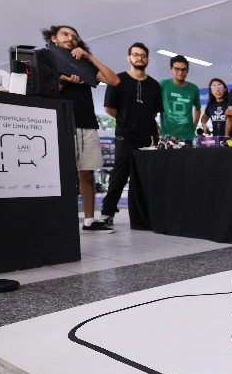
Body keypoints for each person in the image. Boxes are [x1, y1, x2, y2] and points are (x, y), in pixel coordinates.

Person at [42, 25, 120, 234]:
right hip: (61, 124)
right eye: (65, 34)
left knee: (87, 174)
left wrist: (90, 57)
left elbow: (114, 80)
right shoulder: (46, 62)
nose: (70, 38)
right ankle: (59, 221)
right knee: (60, 175)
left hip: (87, 124)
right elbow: (43, 95)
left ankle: (88, 221)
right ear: (53, 39)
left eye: (75, 37)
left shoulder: (84, 64)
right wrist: (62, 81)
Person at [100, 43, 163, 227]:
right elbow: (109, 108)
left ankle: (150, 214)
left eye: (143, 56)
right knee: (119, 177)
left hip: (149, 138)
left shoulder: (154, 85)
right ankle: (107, 213)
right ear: (129, 58)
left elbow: (154, 112)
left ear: (147, 60)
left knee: (149, 178)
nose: (139, 58)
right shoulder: (117, 80)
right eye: (136, 55)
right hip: (125, 137)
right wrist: (127, 121)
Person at [159, 55, 201, 145]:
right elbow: (151, 104)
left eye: (183, 69)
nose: (180, 72)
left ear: (187, 70)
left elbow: (198, 108)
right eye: (177, 69)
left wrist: (193, 127)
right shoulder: (163, 85)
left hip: (187, 137)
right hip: (166, 137)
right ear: (171, 69)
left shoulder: (194, 88)